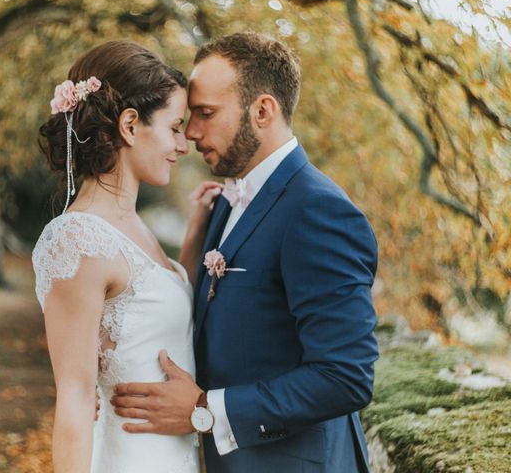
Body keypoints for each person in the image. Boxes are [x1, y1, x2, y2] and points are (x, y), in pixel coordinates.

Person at [112, 32, 380, 473]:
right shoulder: (227, 201)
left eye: (206, 114)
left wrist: (205, 408)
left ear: (263, 110)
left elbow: (345, 376)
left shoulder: (320, 211)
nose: (191, 133)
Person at [32, 40, 222, 473]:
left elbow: (153, 308)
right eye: (175, 127)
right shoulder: (77, 239)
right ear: (131, 125)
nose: (184, 143)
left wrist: (193, 236)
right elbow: (76, 400)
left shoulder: (131, 227)